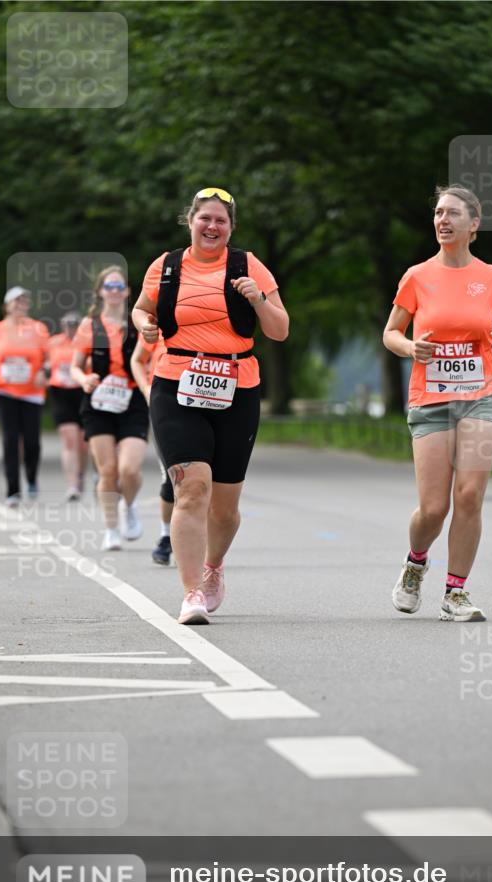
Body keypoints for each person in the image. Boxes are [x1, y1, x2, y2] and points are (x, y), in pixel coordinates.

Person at [132, 186, 289, 625]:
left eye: (221, 220)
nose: (212, 226)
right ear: (190, 222)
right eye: (205, 218)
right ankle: (191, 593)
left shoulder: (248, 265)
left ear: (230, 228)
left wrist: (258, 299)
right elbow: (141, 309)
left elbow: (279, 331)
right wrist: (145, 325)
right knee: (192, 488)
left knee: (224, 507)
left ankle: (213, 566)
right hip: (175, 384)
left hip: (237, 387)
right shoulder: (166, 266)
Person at [383, 185, 492, 622]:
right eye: (438, 213)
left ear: (473, 224)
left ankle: (456, 592)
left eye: (452, 213)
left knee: (469, 495)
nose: (442, 220)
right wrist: (411, 348)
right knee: (434, 508)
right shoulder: (417, 276)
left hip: (483, 395)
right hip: (431, 400)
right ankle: (415, 563)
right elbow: (390, 333)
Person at [70, 266, 149, 551]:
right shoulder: (89, 326)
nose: (114, 291)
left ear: (127, 292)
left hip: (133, 401)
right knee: (108, 470)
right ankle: (111, 529)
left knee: (129, 469)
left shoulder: (139, 324)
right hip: (98, 403)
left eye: (119, 286)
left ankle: (129, 504)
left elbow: (153, 358)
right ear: (101, 292)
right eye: (109, 286)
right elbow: (75, 367)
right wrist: (84, 379)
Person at [0, 286, 50, 506]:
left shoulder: (38, 329)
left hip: (31, 392)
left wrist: (43, 371)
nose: (20, 305)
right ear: (6, 306)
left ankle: (31, 477)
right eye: (16, 301)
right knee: (10, 438)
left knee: (31, 441)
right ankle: (13, 490)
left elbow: (48, 358)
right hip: (4, 390)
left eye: (24, 301)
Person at [130, 336, 174, 565]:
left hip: (203, 406)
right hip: (164, 405)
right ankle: (167, 536)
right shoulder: (158, 324)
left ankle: (199, 538)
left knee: (205, 479)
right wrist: (146, 389)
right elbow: (137, 360)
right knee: (173, 477)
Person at [47, 311, 89, 500]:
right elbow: (44, 362)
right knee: (69, 439)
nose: (71, 329)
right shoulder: (54, 343)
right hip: (61, 394)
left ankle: (80, 474)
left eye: (75, 325)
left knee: (83, 443)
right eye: (68, 325)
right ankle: (72, 484)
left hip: (82, 393)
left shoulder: (87, 343)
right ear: (63, 326)